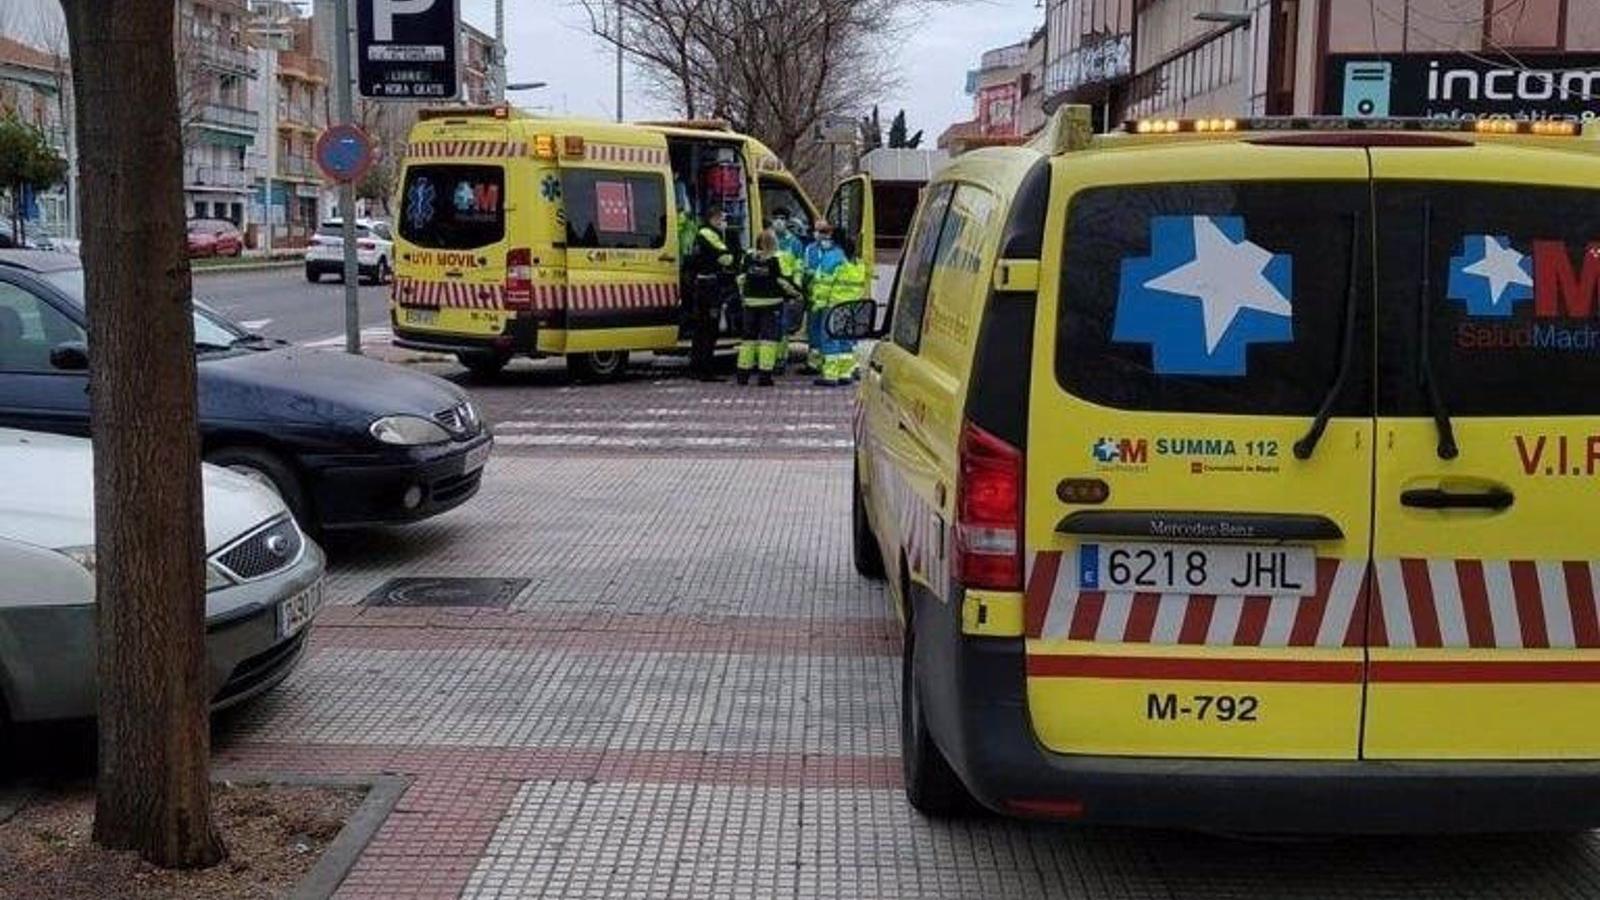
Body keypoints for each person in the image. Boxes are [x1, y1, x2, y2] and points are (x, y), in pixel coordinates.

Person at [736, 229, 802, 386]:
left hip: (750, 303)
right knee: (768, 340)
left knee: (748, 340)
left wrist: (744, 296)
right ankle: (765, 375)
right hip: (771, 304)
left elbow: (741, 279)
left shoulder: (748, 257)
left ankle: (743, 374)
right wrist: (797, 294)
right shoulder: (777, 259)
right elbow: (784, 282)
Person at [686, 207, 739, 381]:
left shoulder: (700, 233)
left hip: (701, 284)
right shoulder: (709, 234)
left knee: (700, 329)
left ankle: (696, 367)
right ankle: (706, 370)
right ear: (713, 218)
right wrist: (731, 241)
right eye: (721, 219)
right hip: (709, 287)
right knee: (709, 329)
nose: (723, 222)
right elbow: (726, 258)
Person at [818, 236, 868, 387]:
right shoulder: (859, 266)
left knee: (830, 339)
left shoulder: (836, 263)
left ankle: (830, 376)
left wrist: (819, 304)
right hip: (852, 308)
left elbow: (824, 285)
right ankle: (845, 373)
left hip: (834, 307)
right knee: (846, 340)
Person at [802, 222, 846, 374]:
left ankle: (829, 366)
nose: (821, 235)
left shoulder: (838, 252)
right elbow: (805, 269)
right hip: (814, 296)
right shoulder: (810, 249)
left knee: (828, 332)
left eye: (825, 232)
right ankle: (814, 363)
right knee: (814, 330)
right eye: (819, 231)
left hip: (831, 298)